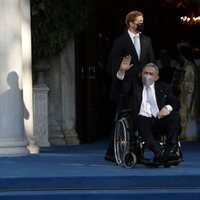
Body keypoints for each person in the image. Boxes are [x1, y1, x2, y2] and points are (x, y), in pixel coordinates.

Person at [105, 10, 155, 162]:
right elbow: (112, 67)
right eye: (139, 21)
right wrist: (122, 70)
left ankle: (135, 153)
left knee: (142, 119)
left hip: (143, 87)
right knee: (125, 118)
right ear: (131, 23)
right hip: (125, 88)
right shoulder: (120, 42)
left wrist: (150, 75)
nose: (142, 24)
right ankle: (114, 153)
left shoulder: (147, 41)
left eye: (142, 20)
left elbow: (152, 61)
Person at [119, 62, 182, 166]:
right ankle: (158, 152)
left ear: (156, 77)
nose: (147, 75)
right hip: (141, 120)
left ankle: (169, 151)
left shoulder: (164, 87)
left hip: (159, 118)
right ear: (141, 74)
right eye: (145, 73)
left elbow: (175, 103)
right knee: (140, 118)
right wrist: (122, 71)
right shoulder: (134, 84)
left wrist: (167, 108)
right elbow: (123, 89)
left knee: (174, 116)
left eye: (151, 74)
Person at [178, 45, 200, 141]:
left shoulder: (189, 67)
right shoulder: (187, 65)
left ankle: (189, 135)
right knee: (184, 114)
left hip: (188, 95)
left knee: (188, 113)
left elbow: (190, 85)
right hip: (185, 94)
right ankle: (185, 134)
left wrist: (181, 83)